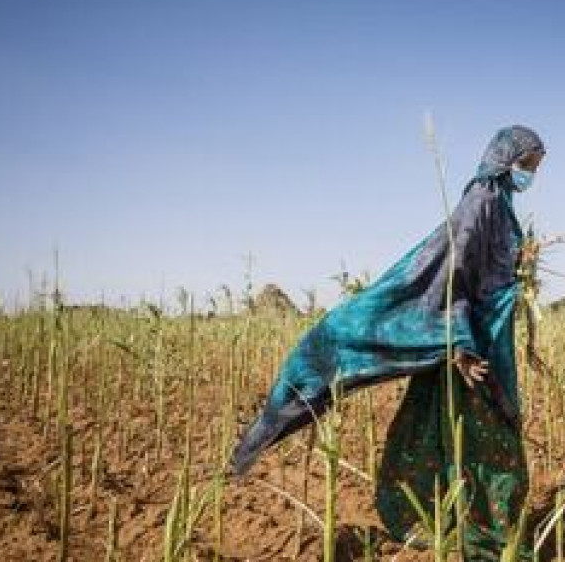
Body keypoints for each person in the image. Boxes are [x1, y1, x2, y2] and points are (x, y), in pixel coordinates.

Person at [231, 125, 546, 560]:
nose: (532, 173)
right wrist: (458, 344)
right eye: (528, 164)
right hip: (469, 350)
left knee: (463, 439)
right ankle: (483, 536)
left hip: (485, 344)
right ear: (506, 158)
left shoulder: (500, 204)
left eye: (536, 166)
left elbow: (485, 277)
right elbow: (448, 278)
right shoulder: (481, 204)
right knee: (483, 444)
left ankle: (466, 526)